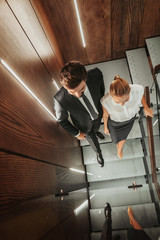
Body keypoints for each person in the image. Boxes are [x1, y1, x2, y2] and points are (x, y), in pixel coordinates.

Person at [54, 61, 105, 167]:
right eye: (72, 92)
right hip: (84, 125)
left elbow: (101, 90)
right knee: (91, 137)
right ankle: (98, 153)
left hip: (98, 114)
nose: (78, 95)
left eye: (82, 89)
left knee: (96, 127)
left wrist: (102, 105)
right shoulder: (60, 99)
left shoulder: (96, 74)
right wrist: (76, 133)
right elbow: (62, 120)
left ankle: (96, 132)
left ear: (85, 79)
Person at [101, 75, 153, 159]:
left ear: (129, 91)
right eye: (118, 102)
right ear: (111, 94)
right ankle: (119, 148)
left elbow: (141, 95)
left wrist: (146, 107)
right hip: (115, 123)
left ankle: (120, 150)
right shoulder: (105, 100)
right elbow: (105, 114)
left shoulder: (136, 89)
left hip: (130, 120)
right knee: (115, 140)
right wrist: (105, 127)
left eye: (126, 100)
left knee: (124, 136)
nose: (122, 104)